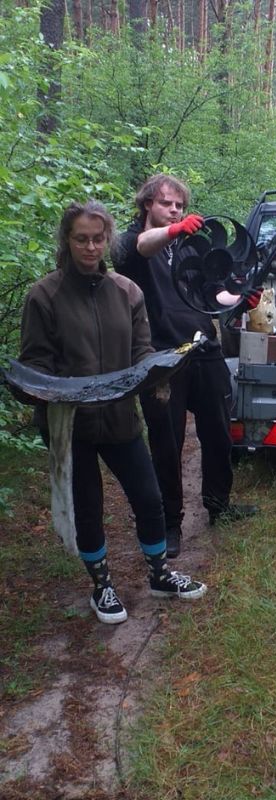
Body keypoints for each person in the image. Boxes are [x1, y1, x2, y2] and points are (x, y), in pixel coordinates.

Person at [19, 201, 207, 624]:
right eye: (81, 239)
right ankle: (102, 586)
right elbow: (35, 363)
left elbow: (141, 351)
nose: (90, 247)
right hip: (72, 424)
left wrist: (157, 375)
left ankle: (160, 575)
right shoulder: (43, 295)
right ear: (67, 241)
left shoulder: (127, 291)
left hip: (121, 417)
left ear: (108, 241)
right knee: (88, 505)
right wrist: (44, 397)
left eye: (98, 239)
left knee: (148, 496)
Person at [111, 174, 257, 559]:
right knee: (166, 442)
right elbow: (142, 246)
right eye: (166, 204)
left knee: (219, 433)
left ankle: (218, 506)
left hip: (203, 349)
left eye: (179, 205)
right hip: (160, 357)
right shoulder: (130, 243)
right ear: (147, 205)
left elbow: (213, 293)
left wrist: (240, 299)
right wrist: (174, 230)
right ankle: (169, 523)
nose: (174, 210)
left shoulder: (191, 250)